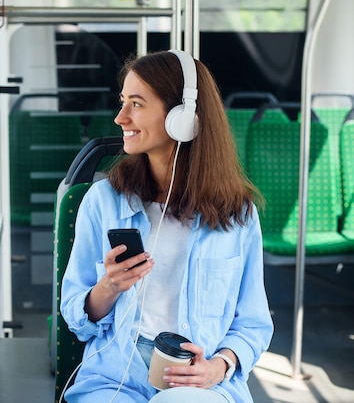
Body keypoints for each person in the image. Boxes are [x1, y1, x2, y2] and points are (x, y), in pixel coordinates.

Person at [60, 49, 274, 403]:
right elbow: (75, 314)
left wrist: (218, 367)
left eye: (137, 104)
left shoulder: (238, 214)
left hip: (201, 383)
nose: (120, 117)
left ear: (183, 116)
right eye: (122, 102)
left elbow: (253, 323)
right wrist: (108, 287)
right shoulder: (104, 201)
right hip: (114, 379)